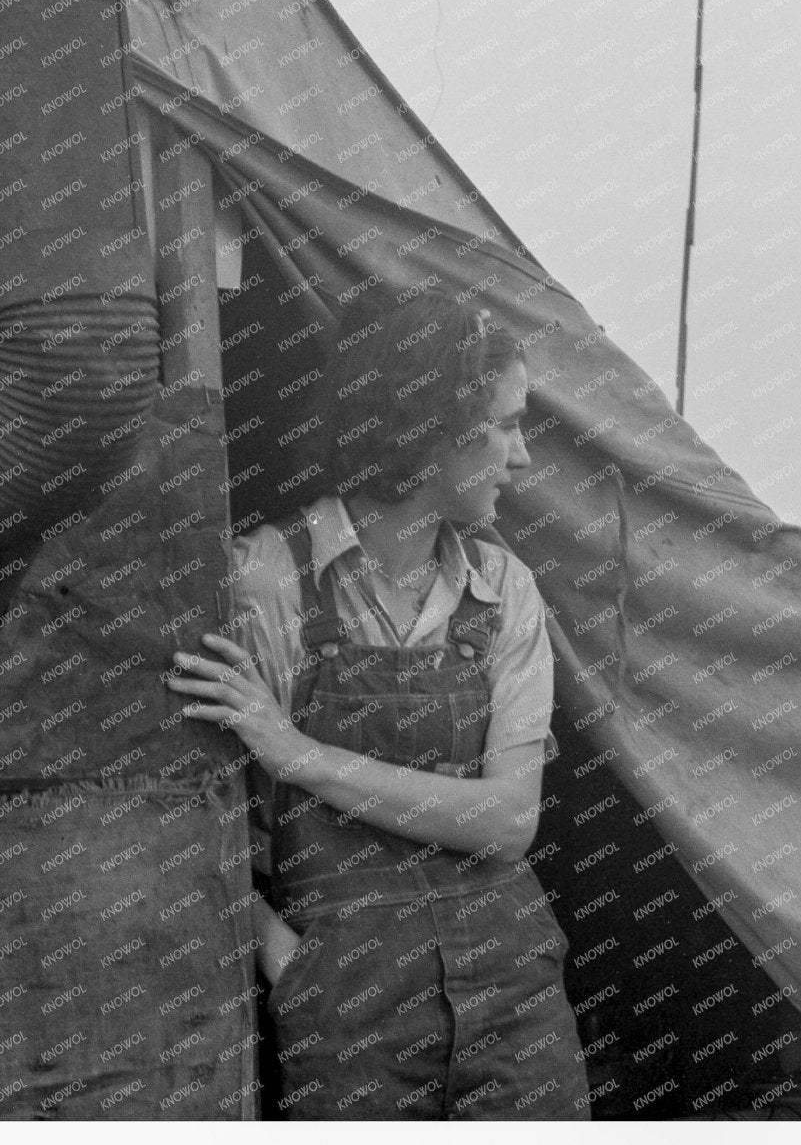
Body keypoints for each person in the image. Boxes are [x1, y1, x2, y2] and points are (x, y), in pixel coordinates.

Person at [170, 290, 588, 1119]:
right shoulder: (266, 579)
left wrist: (301, 755)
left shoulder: (505, 590)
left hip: (514, 1005)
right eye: (506, 425)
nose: (524, 456)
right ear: (433, 426)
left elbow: (508, 823)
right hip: (347, 1006)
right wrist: (290, 963)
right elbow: (195, 817)